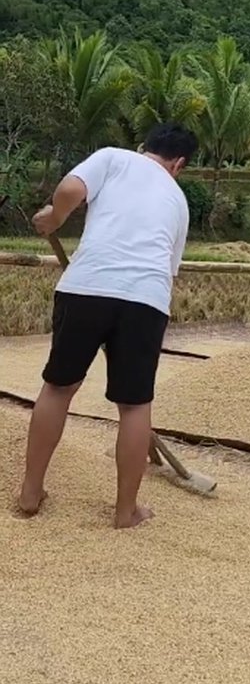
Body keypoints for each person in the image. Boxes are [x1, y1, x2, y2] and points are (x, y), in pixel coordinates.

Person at [18, 122, 197, 529]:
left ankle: (30, 493)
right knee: (134, 405)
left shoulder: (114, 158)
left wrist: (55, 217)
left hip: (86, 286)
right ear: (179, 164)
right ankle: (124, 511)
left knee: (59, 387)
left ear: (143, 146)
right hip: (146, 299)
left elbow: (69, 190)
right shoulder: (178, 200)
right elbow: (169, 271)